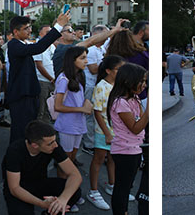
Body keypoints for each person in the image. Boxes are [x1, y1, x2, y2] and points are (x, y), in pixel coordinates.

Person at [6, 10, 71, 144]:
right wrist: (58, 26)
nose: (30, 31)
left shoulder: (24, 44)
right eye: (26, 28)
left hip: (29, 95)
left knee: (29, 131)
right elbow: (39, 47)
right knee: (20, 133)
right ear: (15, 32)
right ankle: (14, 162)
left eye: (30, 27)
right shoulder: (14, 45)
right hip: (21, 97)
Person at [2, 121, 83, 215]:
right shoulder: (15, 151)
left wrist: (62, 199)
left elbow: (75, 175)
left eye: (54, 141)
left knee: (75, 192)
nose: (55, 145)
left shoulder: (53, 146)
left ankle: (50, 212)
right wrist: (42, 204)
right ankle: (50, 208)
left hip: (40, 182)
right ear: (35, 145)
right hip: (20, 187)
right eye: (50, 143)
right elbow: (14, 188)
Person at [107, 62, 149, 214]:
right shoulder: (121, 103)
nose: (144, 85)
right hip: (124, 151)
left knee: (127, 185)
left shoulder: (134, 99)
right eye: (141, 81)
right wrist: (149, 109)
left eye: (145, 81)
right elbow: (136, 128)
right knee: (122, 188)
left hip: (133, 149)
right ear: (128, 81)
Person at [88, 55, 126, 210]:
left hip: (117, 130)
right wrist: (107, 132)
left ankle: (112, 185)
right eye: (119, 69)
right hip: (103, 130)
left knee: (113, 158)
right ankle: (93, 191)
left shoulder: (120, 84)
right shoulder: (101, 87)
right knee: (99, 158)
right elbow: (97, 112)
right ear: (108, 70)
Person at [54, 47, 95, 171]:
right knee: (65, 161)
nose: (86, 61)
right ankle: (63, 185)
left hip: (78, 124)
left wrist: (86, 105)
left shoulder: (79, 76)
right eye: (82, 58)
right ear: (72, 60)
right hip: (67, 125)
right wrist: (81, 109)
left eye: (86, 57)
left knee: (72, 157)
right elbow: (58, 106)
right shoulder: (63, 79)